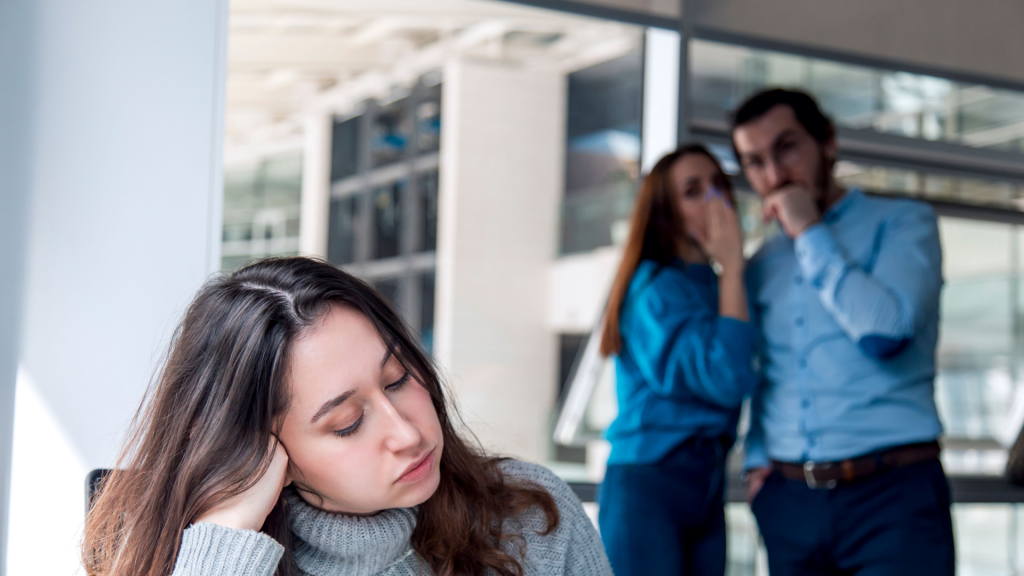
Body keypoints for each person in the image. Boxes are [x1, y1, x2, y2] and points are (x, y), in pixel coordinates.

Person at [82, 257, 613, 576]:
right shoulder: (206, 559)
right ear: (262, 448)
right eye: (347, 423)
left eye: (399, 378)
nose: (407, 433)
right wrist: (227, 541)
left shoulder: (532, 519)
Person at [733, 88, 953, 575]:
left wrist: (810, 232)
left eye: (787, 148)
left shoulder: (903, 222)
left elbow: (884, 334)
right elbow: (767, 371)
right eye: (755, 162)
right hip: (789, 502)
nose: (773, 175)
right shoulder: (763, 263)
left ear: (827, 141)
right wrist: (759, 463)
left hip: (892, 496)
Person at [597, 144, 757, 576]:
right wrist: (734, 270)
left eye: (720, 184)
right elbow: (725, 377)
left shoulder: (714, 282)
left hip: (706, 480)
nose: (715, 198)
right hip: (650, 482)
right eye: (693, 190)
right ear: (667, 213)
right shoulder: (654, 287)